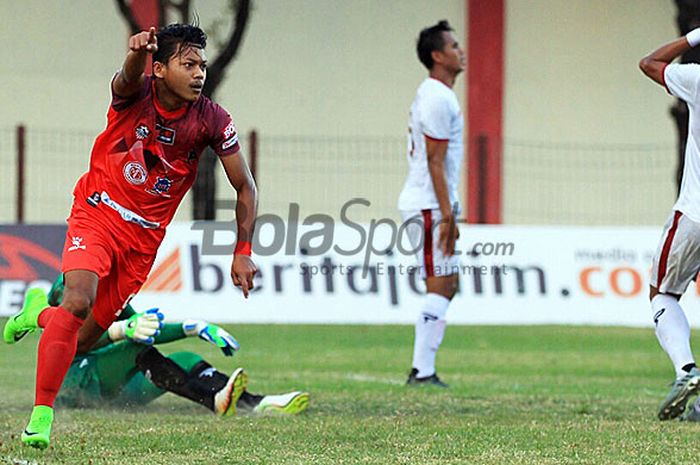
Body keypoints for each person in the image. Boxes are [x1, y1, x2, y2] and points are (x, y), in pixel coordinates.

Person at [3, 23, 258, 448]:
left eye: (202, 65)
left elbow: (245, 186)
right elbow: (123, 79)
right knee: (78, 300)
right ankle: (41, 417)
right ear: (158, 69)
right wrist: (135, 54)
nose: (199, 74)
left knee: (80, 341)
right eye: (188, 64)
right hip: (98, 213)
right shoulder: (136, 94)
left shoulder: (212, 119)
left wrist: (243, 250)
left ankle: (34, 314)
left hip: (143, 242)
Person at [6, 281, 308, 417]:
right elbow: (69, 338)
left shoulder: (118, 285)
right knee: (130, 349)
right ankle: (214, 401)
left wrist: (192, 327)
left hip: (109, 388)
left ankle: (256, 404)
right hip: (73, 383)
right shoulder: (70, 285)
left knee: (187, 359)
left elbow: (142, 329)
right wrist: (120, 330)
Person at [397, 20, 465, 387]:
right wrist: (447, 215)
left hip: (433, 202)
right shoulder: (438, 96)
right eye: (454, 45)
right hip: (428, 204)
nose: (461, 50)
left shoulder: (436, 94)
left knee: (447, 283)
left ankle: (424, 370)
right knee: (440, 284)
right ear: (437, 56)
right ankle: (421, 372)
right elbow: (435, 161)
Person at [640, 28, 700, 420]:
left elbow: (650, 64)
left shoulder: (697, 79)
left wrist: (694, 38)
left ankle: (687, 372)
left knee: (662, 292)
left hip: (694, 212)